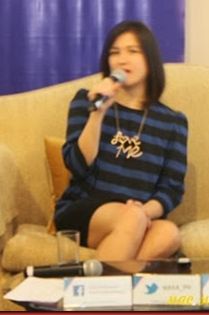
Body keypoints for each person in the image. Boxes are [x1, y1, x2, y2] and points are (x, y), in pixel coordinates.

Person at [54, 20, 188, 261]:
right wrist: (97, 113)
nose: (122, 60)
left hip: (138, 214)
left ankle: (99, 279)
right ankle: (106, 281)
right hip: (85, 209)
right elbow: (76, 165)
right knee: (131, 219)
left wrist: (143, 212)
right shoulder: (86, 101)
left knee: (168, 234)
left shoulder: (173, 122)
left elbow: (172, 190)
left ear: (150, 59)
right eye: (114, 53)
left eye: (133, 51)